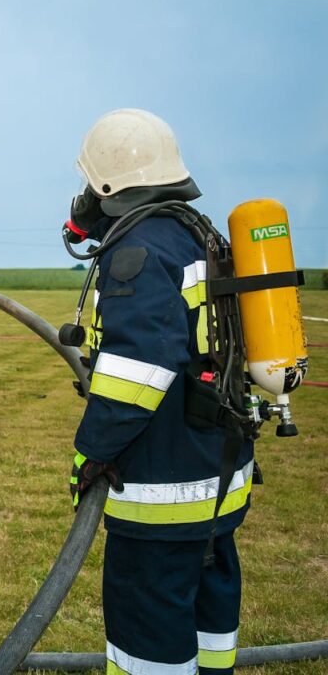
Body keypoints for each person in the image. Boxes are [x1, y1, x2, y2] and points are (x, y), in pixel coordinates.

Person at [65, 109, 254, 674]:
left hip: (162, 488)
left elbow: (134, 376)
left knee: (145, 625)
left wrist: (91, 454)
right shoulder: (195, 232)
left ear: (105, 183)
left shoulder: (136, 255)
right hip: (218, 476)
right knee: (209, 603)